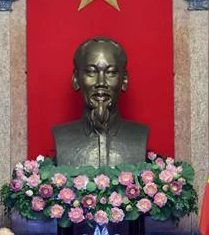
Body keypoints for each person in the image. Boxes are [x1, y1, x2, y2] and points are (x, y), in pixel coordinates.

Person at [52, 36, 149, 167]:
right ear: (76, 79)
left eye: (111, 72)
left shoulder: (139, 134)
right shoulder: (62, 136)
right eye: (91, 72)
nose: (101, 83)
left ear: (124, 80)